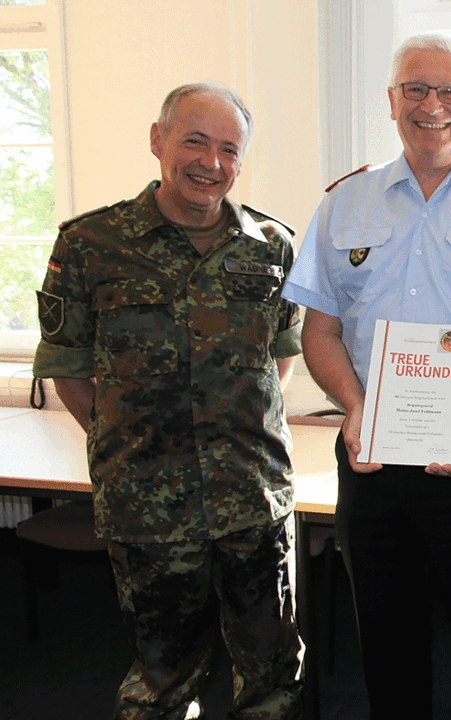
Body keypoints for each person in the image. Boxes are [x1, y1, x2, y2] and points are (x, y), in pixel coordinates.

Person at [281, 33, 451, 719]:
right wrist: (352, 405)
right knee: (384, 629)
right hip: (370, 450)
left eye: (449, 91)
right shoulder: (346, 204)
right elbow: (319, 331)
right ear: (392, 99)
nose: (433, 105)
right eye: (416, 89)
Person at [32, 83, 305, 719]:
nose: (212, 162)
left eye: (229, 149)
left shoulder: (272, 245)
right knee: (162, 678)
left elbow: (282, 356)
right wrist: (129, 439)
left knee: (271, 674)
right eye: (194, 141)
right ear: (158, 142)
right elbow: (70, 370)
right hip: (148, 502)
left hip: (253, 498)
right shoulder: (91, 245)